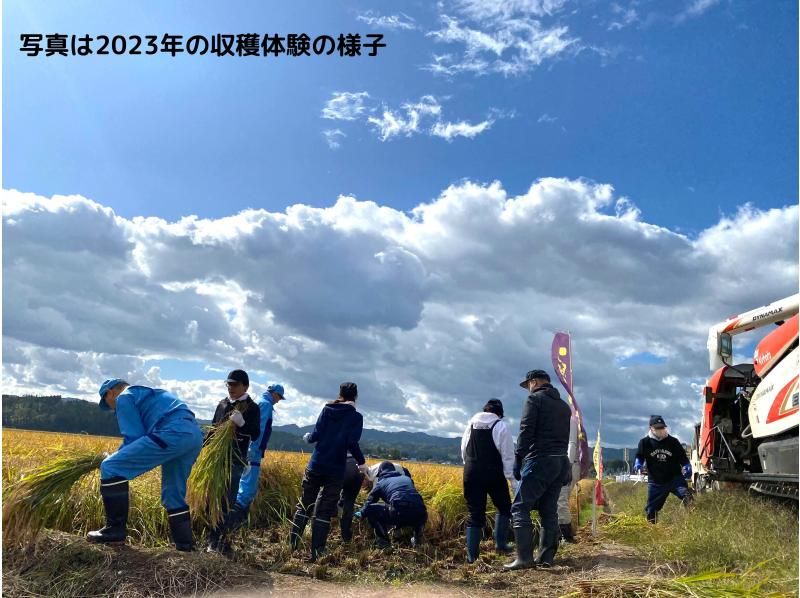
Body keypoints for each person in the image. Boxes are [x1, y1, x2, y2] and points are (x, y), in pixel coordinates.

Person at [88, 379, 203, 551]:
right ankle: (185, 547)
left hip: (171, 432)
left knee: (111, 467)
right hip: (193, 436)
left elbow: (134, 437)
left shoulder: (124, 397)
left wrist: (113, 457)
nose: (112, 408)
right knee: (173, 494)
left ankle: (115, 531)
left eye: (107, 402)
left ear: (110, 392)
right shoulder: (148, 393)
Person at [289, 382, 368, 561]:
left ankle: (291, 544)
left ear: (339, 394)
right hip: (335, 469)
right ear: (355, 396)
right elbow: (351, 443)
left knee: (305, 504)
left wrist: (308, 438)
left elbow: (316, 434)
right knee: (324, 510)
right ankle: (316, 552)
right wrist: (362, 463)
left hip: (316, 464)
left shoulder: (327, 409)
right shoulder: (356, 417)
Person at [505, 369, 572, 570]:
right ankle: (546, 558)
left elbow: (526, 431)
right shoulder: (564, 406)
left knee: (520, 507)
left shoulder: (534, 401)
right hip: (560, 462)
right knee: (548, 510)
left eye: (527, 386)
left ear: (534, 382)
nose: (528, 390)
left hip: (540, 459)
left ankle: (524, 558)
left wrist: (518, 457)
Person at [216, 383, 285, 537]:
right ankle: (231, 526)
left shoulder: (259, 401)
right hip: (252, 453)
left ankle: (233, 526)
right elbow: (259, 431)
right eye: (279, 397)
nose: (279, 400)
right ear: (273, 393)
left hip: (247, 451)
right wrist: (253, 452)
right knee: (246, 491)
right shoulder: (266, 404)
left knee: (243, 488)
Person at [205, 369, 261, 553]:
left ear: (245, 386)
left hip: (235, 460)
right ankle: (211, 538)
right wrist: (202, 449)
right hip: (216, 460)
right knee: (212, 498)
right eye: (228, 384)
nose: (230, 388)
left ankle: (220, 540)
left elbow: (255, 433)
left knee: (226, 500)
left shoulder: (251, 407)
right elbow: (213, 430)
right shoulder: (222, 404)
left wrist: (242, 424)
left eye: (235, 385)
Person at [461, 398, 515, 563]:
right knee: (504, 507)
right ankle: (500, 544)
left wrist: (470, 466)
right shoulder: (500, 426)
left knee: (475, 513)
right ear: (499, 414)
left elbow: (464, 449)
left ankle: (472, 558)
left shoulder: (470, 424)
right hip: (493, 473)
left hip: (471, 473)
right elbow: (507, 455)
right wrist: (512, 480)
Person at [356, 461, 428, 549]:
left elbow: (370, 502)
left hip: (398, 511)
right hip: (421, 512)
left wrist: (361, 513)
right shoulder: (407, 479)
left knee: (371, 509)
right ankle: (417, 541)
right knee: (416, 509)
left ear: (380, 472)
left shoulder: (381, 483)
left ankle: (384, 543)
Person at [634, 415, 692, 524]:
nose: (661, 430)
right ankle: (652, 529)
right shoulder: (645, 442)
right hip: (656, 482)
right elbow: (640, 456)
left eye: (662, 427)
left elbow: (683, 457)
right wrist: (638, 463)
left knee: (688, 497)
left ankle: (691, 521)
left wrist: (686, 465)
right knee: (651, 510)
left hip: (675, 478)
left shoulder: (673, 442)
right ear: (651, 428)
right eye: (658, 428)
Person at [556, 411, 580, 543]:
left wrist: (567, 465)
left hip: (567, 465)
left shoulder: (570, 420)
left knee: (560, 500)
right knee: (555, 501)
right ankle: (558, 535)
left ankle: (566, 535)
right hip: (556, 463)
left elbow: (572, 444)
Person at [338, 452, 365, 542]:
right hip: (359, 468)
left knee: (328, 497)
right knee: (349, 503)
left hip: (344, 464)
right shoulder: (351, 442)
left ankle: (319, 538)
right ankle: (346, 537)